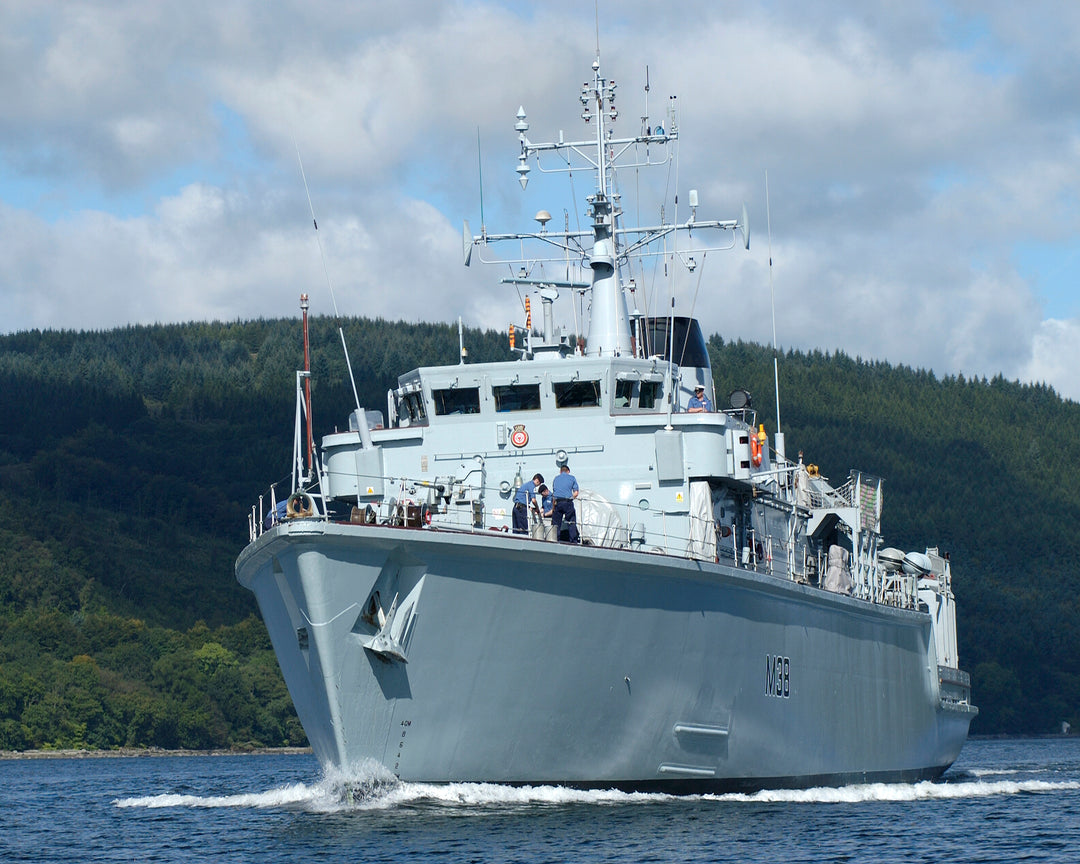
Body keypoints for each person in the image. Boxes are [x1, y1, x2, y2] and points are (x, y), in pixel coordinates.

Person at [551, 464, 580, 543]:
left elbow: (554, 494)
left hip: (558, 502)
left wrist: (553, 508)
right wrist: (570, 498)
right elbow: (576, 493)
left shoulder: (556, 479)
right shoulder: (572, 478)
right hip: (567, 502)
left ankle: (555, 539)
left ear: (560, 472)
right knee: (571, 521)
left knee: (556, 524)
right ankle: (573, 540)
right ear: (568, 471)